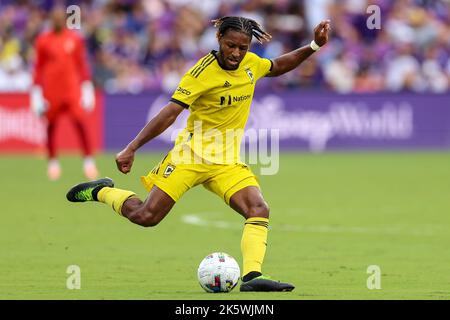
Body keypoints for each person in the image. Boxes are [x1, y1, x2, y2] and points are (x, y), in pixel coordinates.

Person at [67, 16, 331, 292]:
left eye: (243, 47)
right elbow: (170, 113)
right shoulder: (201, 73)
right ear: (219, 41)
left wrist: (313, 46)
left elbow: (276, 66)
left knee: (258, 208)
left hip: (227, 162)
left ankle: (252, 277)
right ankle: (101, 191)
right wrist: (132, 148)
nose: (236, 53)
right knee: (147, 216)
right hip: (190, 157)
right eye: (231, 46)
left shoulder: (251, 64)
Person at [31, 6, 98, 181]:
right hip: (52, 92)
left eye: (61, 17)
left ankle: (88, 162)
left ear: (65, 19)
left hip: (71, 91)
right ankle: (53, 163)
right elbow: (38, 68)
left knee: (80, 123)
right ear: (52, 19)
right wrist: (36, 93)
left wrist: (87, 87)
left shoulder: (74, 39)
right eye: (55, 18)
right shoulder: (43, 40)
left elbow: (81, 65)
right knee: (51, 127)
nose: (58, 20)